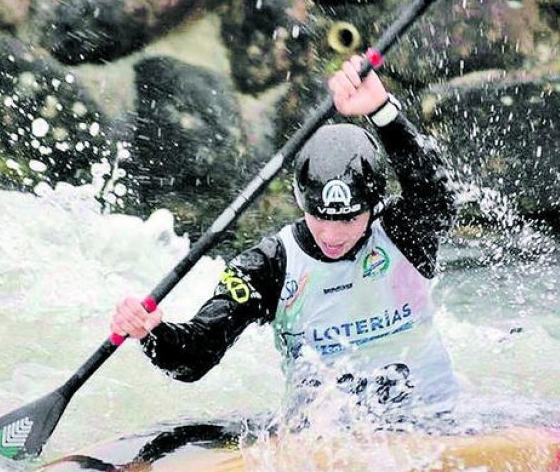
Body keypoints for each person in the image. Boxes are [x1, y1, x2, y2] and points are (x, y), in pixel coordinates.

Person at [111, 54, 458, 427]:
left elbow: (434, 189)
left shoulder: (404, 234)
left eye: (348, 219)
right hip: (327, 438)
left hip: (435, 424)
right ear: (300, 202)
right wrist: (151, 332)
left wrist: (381, 111)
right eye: (320, 217)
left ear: (373, 206)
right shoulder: (269, 266)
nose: (331, 234)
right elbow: (195, 359)